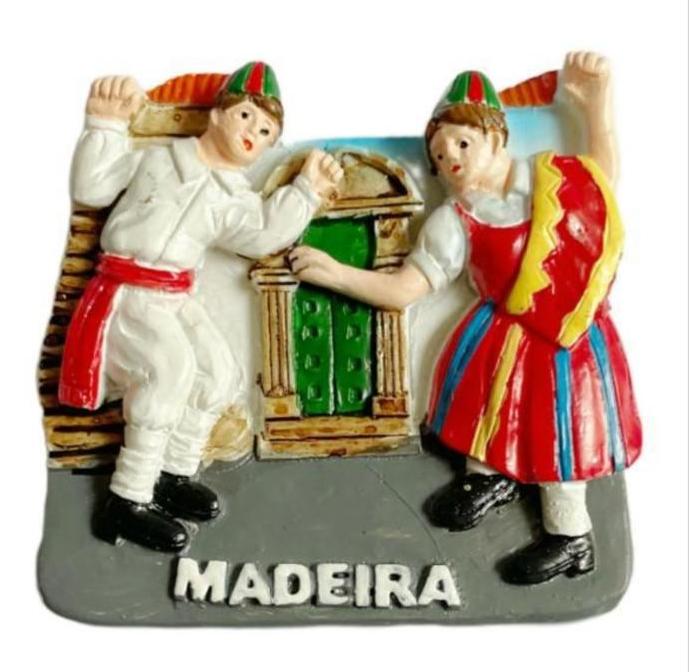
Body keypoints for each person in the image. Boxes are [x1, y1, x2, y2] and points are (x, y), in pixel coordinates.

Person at [288, 52, 641, 584]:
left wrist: (597, 104)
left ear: (496, 139)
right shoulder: (452, 221)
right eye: (438, 152)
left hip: (564, 338)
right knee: (484, 409)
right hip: (500, 333)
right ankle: (489, 479)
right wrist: (335, 273)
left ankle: (570, 536)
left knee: (558, 431)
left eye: (461, 143)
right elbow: (404, 289)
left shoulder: (549, 179)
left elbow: (601, 184)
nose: (449, 157)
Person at [59, 62, 343, 552]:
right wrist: (105, 124)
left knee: (219, 373)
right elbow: (92, 186)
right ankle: (125, 499)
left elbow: (263, 236)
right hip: (129, 291)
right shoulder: (159, 159)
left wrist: (305, 192)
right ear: (216, 114)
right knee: (167, 371)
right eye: (246, 116)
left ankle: (173, 472)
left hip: (175, 295)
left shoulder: (233, 195)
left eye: (266, 131)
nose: (253, 132)